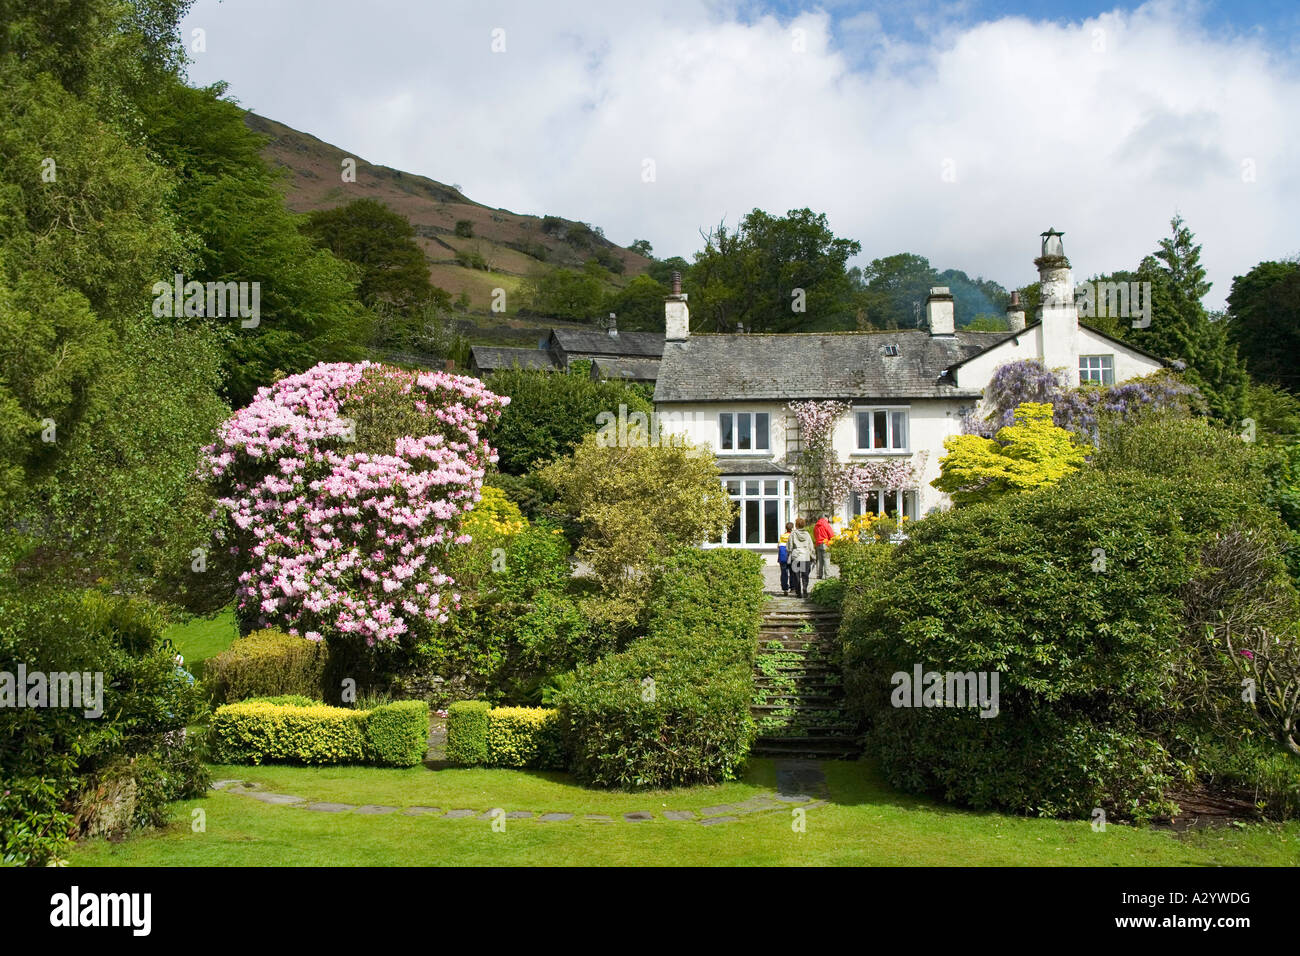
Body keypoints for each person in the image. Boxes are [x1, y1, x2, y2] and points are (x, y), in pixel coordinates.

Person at [787, 517, 815, 598]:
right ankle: (805, 589)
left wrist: (789, 552)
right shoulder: (807, 534)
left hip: (796, 557)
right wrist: (813, 557)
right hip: (805, 557)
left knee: (796, 576)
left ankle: (798, 592)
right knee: (805, 575)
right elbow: (811, 547)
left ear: (796, 525)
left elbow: (789, 546)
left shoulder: (793, 534)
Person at [813, 514, 834, 579]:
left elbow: (814, 534)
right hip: (826, 543)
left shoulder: (816, 525)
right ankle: (827, 576)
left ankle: (819, 575)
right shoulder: (826, 524)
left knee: (820, 560)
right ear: (826, 518)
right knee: (826, 560)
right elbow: (831, 534)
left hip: (818, 543)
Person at [777, 521, 793, 595]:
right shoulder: (793, 536)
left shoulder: (782, 536)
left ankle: (785, 589)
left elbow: (778, 546)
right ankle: (793, 588)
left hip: (783, 556)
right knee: (793, 572)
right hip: (791, 556)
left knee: (784, 573)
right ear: (792, 528)